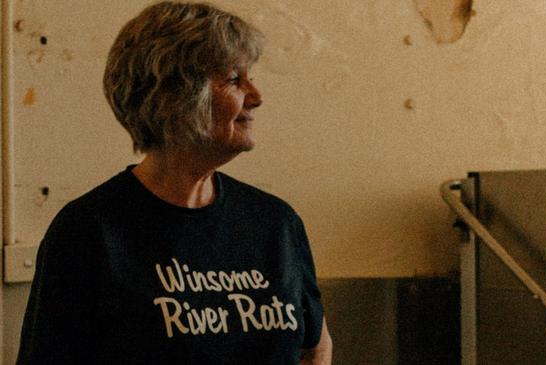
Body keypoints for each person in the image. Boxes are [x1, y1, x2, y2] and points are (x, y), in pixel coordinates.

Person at [17, 2, 332, 364]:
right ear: (174, 96)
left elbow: (316, 344)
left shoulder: (275, 222)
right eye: (234, 79)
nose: (257, 96)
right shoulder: (89, 231)